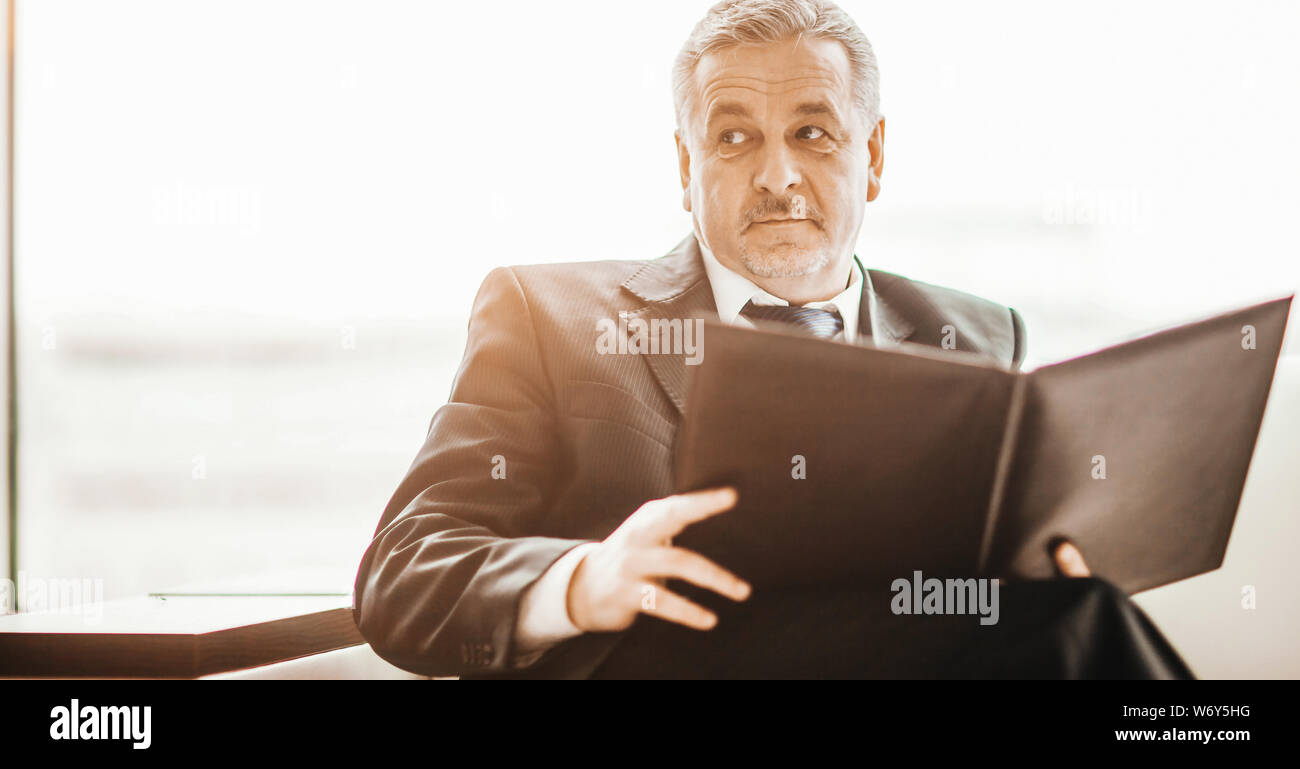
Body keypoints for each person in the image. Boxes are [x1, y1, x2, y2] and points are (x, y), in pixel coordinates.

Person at [352, 0, 1192, 679]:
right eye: (734, 137)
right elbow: (404, 573)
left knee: (1075, 610)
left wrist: (1036, 565)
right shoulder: (548, 315)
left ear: (874, 155)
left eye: (813, 132)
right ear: (686, 169)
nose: (778, 176)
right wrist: (586, 579)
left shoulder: (976, 332)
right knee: (1084, 629)